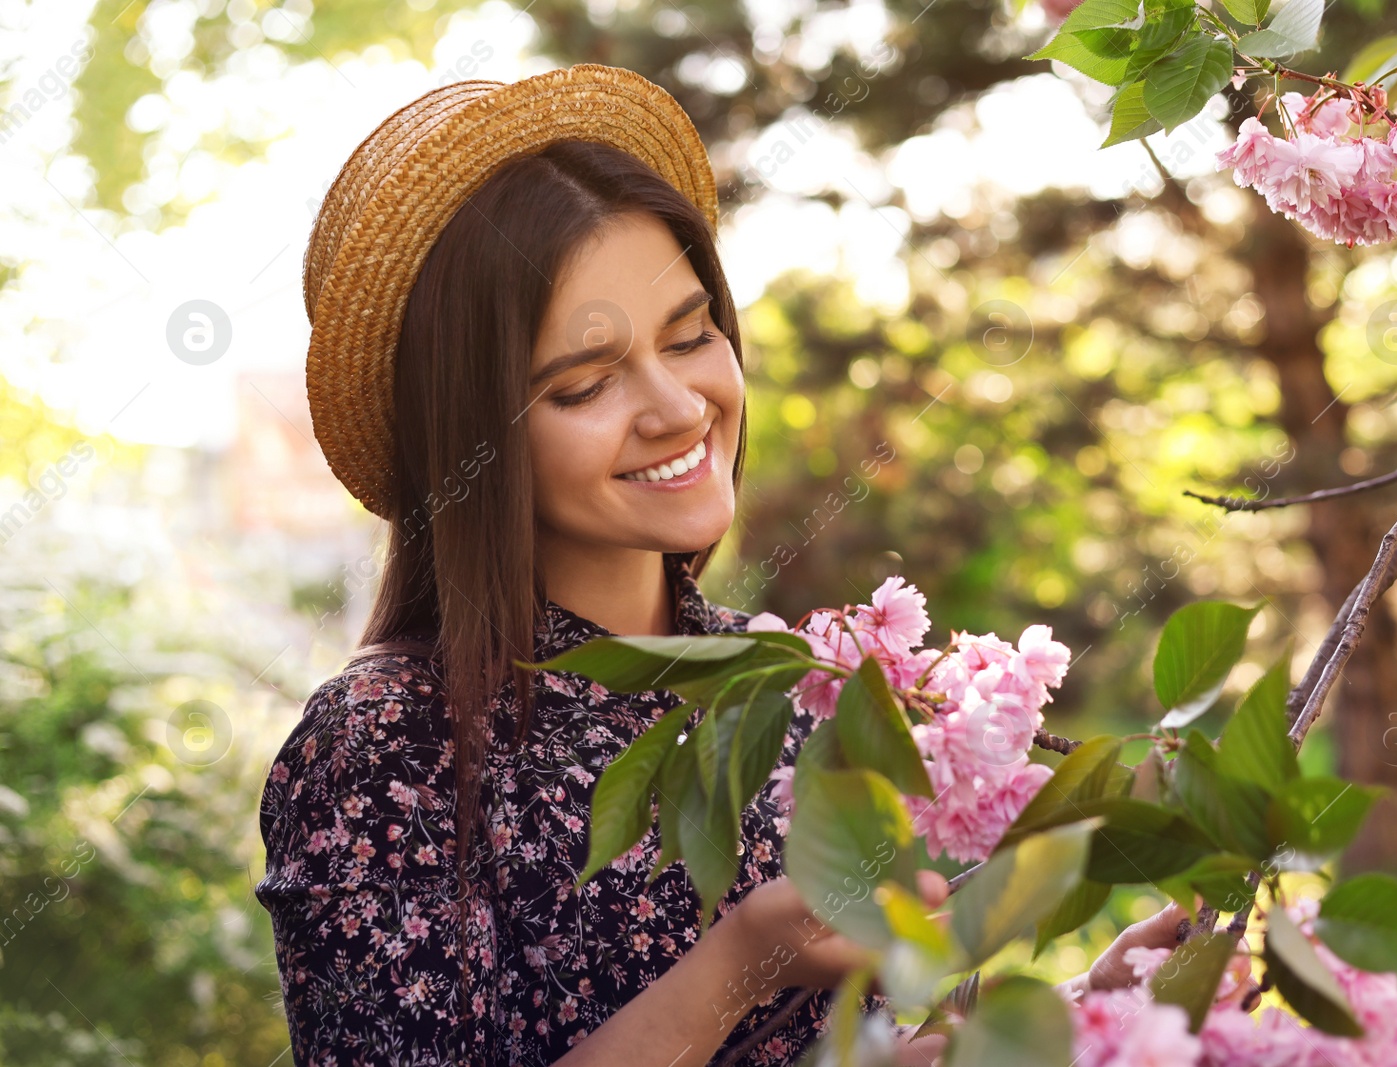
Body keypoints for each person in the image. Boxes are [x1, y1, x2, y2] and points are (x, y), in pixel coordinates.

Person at [254, 64, 1184, 1067]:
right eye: (584, 384)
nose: (677, 406)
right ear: (473, 438)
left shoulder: (776, 678)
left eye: (690, 336)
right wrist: (735, 962)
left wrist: (1097, 1009)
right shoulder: (387, 743)